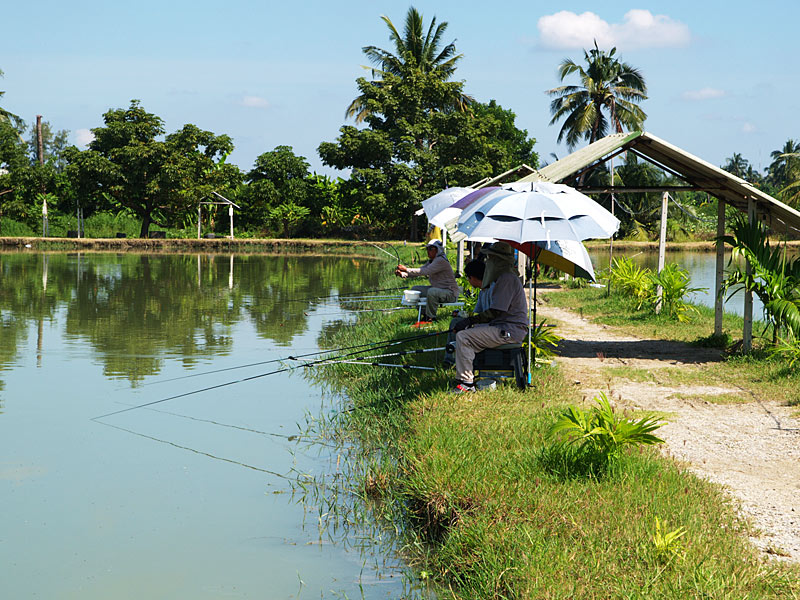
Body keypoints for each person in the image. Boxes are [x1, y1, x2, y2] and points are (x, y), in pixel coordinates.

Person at [450, 242, 528, 393]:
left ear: (498, 260)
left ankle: (466, 382)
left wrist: (470, 321)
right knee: (467, 333)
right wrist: (471, 323)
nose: (488, 261)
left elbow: (495, 312)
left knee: (463, 337)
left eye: (491, 258)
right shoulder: (503, 278)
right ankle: (472, 372)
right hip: (504, 328)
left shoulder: (506, 279)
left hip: (508, 330)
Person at [395, 239, 459, 326]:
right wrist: (402, 274)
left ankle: (431, 318)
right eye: (427, 249)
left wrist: (406, 269)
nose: (428, 251)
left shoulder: (441, 260)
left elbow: (424, 271)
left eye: (431, 249)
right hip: (439, 290)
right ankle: (424, 315)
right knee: (415, 289)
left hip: (450, 293)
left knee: (432, 292)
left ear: (437, 249)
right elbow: (419, 273)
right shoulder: (431, 261)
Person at [442, 259, 493, 366]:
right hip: (482, 324)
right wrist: (461, 314)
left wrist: (469, 321)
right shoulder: (482, 291)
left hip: (490, 328)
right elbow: (475, 313)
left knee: (459, 328)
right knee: (455, 322)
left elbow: (490, 315)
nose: (468, 281)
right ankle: (450, 359)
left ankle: (457, 361)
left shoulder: (492, 289)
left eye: (468, 278)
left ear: (473, 277)